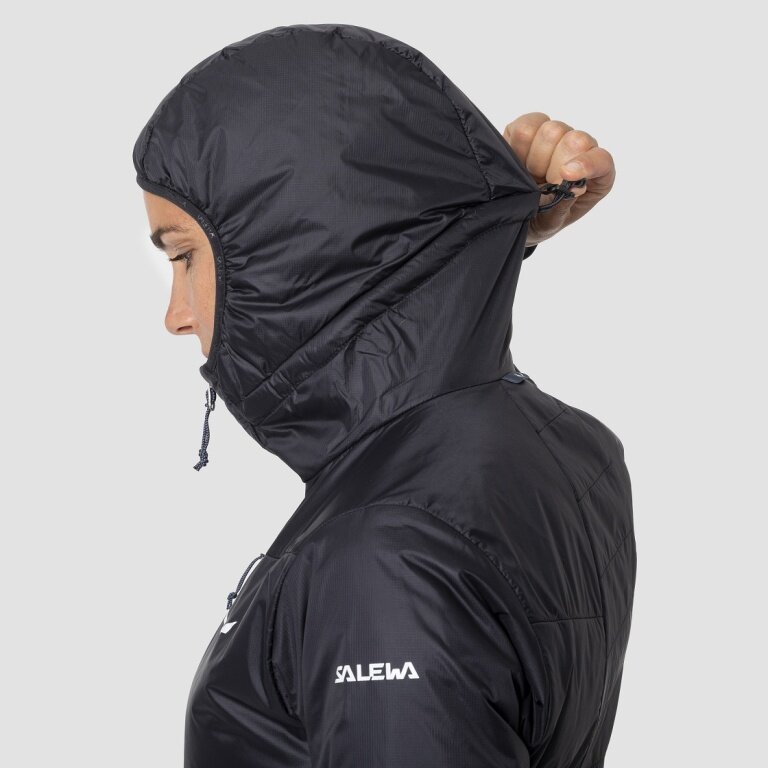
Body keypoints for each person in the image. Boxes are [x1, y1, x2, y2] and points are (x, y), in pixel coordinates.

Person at [133, 23, 636, 768]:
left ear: (296, 249)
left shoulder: (383, 556)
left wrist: (476, 246)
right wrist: (475, 246)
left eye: (184, 257)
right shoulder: (568, 447)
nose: (175, 315)